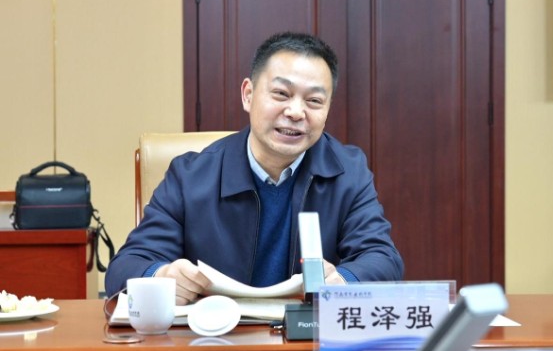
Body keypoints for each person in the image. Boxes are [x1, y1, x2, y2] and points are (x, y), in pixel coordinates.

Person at [105, 32, 404, 304]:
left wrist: (343, 281)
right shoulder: (189, 176)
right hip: (217, 337)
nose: (296, 112)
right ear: (248, 95)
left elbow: (383, 259)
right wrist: (162, 276)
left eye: (314, 101)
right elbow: (126, 266)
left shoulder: (348, 172)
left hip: (303, 338)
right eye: (281, 94)